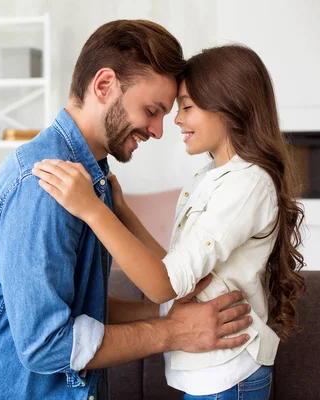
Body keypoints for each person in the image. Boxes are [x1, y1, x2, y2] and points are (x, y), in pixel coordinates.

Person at [0, 22, 254, 400]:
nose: (158, 130)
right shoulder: (43, 185)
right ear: (104, 85)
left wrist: (166, 316)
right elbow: (46, 344)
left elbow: (71, 306)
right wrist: (174, 333)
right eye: (151, 110)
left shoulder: (90, 182)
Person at [32, 44, 306, 399]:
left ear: (230, 107)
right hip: (210, 371)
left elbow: (164, 286)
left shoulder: (247, 184)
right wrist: (124, 215)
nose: (175, 121)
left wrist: (92, 210)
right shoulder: (210, 177)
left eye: (187, 108)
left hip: (228, 374)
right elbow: (175, 271)